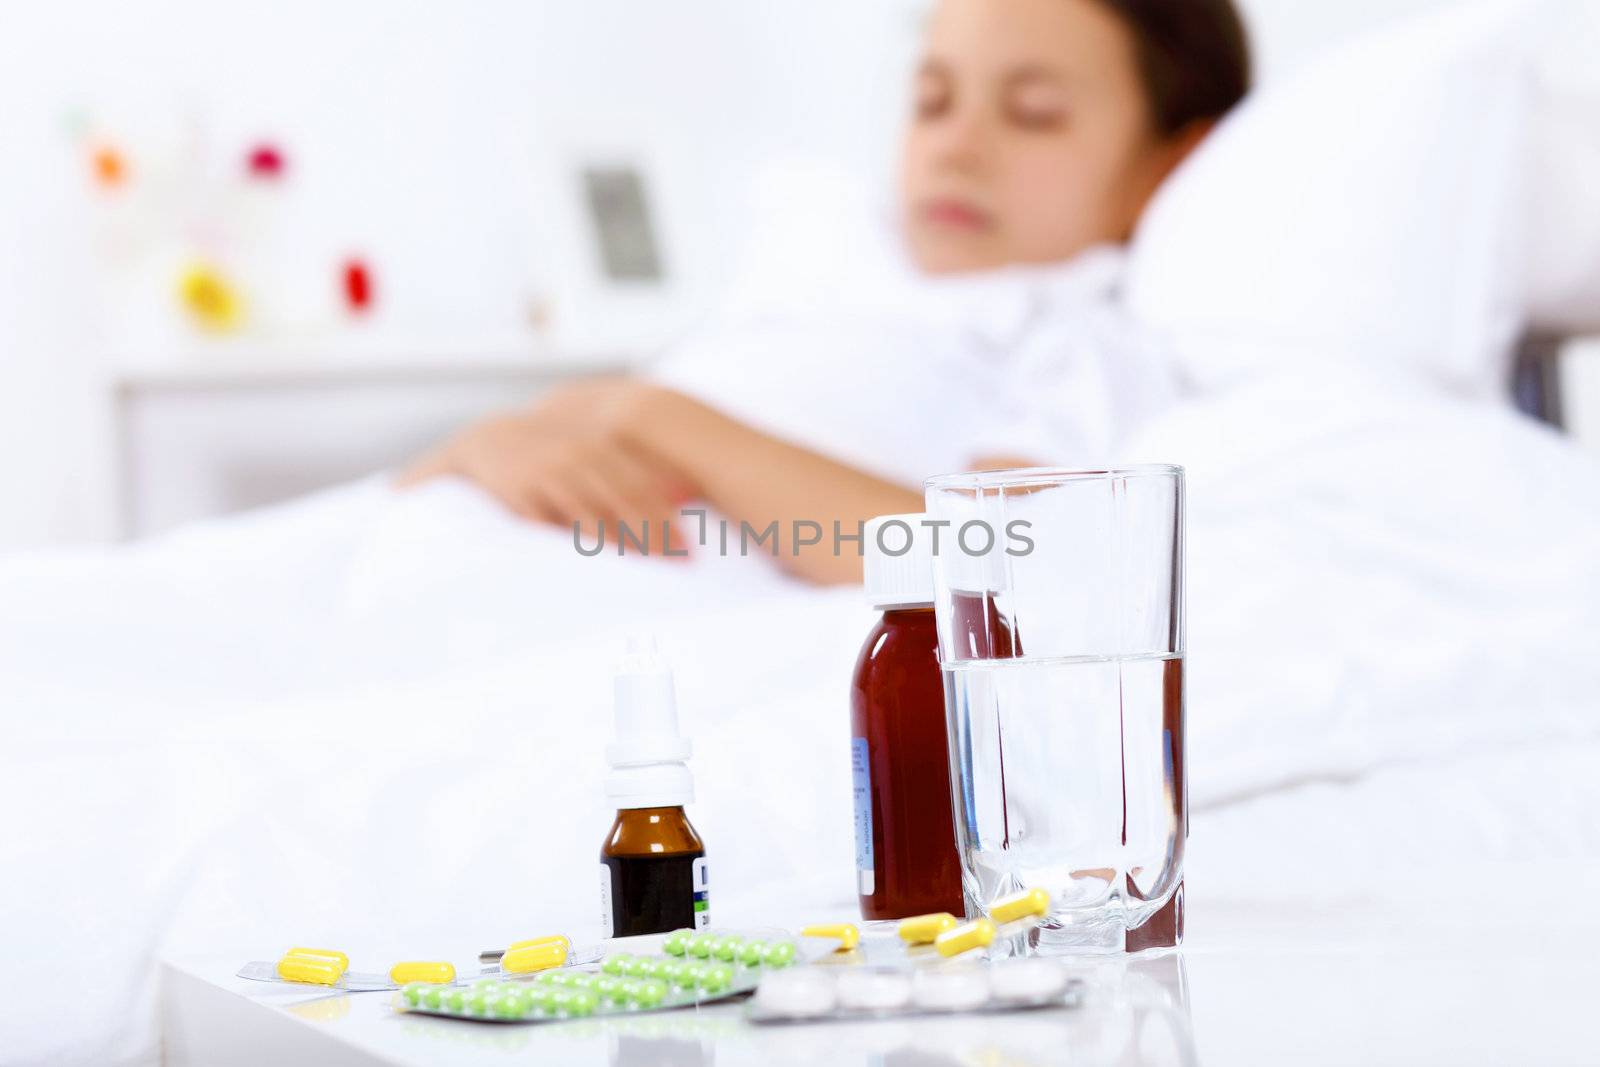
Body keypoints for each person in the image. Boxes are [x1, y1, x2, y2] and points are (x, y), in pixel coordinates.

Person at [401, 0, 1250, 584]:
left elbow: (987, 567)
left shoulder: (1082, 338)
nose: (957, 146)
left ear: (1175, 160)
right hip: (444, 530)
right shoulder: (824, 272)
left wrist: (653, 418)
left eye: (1031, 112)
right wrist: (490, 444)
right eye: (932, 100)